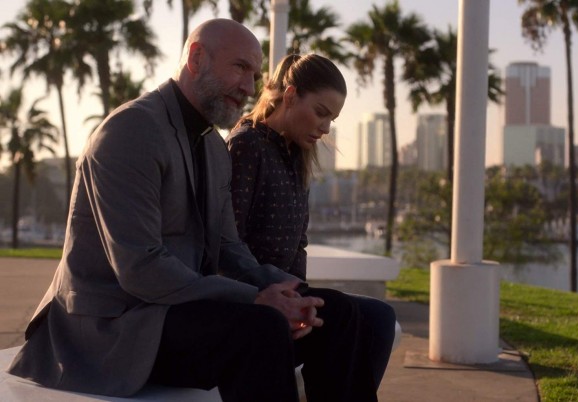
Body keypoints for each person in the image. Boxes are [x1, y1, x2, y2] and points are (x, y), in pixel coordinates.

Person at [7, 19, 373, 402]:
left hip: (173, 311)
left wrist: (291, 291)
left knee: (339, 314)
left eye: (254, 75)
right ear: (196, 59)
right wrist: (254, 298)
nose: (250, 88)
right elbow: (141, 268)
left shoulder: (213, 146)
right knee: (260, 329)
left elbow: (229, 248)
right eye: (240, 68)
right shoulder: (130, 131)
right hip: (110, 328)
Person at [226, 53, 396, 388]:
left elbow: (298, 242)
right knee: (343, 314)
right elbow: (228, 241)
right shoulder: (246, 145)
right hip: (252, 296)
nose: (326, 127)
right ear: (290, 96)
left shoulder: (297, 156)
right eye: (321, 113)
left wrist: (301, 296)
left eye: (332, 118)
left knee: (379, 318)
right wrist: (285, 295)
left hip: (289, 292)